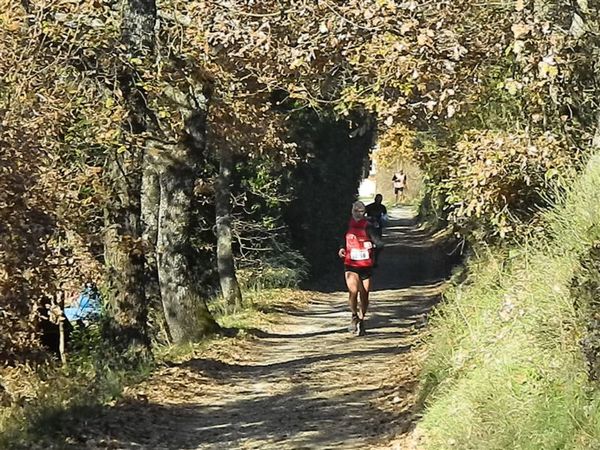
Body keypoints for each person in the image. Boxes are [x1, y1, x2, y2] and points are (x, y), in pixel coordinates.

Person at [338, 201, 383, 336]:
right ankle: (353, 316)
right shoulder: (346, 225)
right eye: (356, 211)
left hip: (365, 265)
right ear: (352, 211)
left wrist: (373, 249)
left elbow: (380, 244)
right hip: (350, 264)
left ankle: (362, 320)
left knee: (365, 294)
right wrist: (341, 248)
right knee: (353, 291)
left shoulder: (368, 226)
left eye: (361, 211)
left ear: (364, 212)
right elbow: (342, 239)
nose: (358, 213)